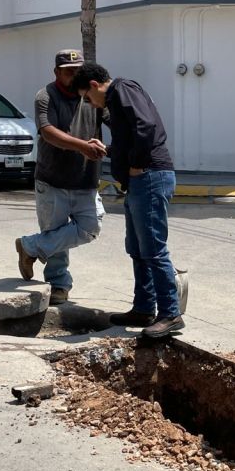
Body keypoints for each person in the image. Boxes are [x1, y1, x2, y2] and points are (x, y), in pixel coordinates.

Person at [72, 63, 183, 338]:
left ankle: (170, 314)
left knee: (153, 249)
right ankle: (144, 308)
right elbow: (131, 138)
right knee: (137, 248)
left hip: (150, 176)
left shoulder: (123, 88)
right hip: (139, 180)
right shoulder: (116, 98)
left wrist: (137, 164)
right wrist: (109, 150)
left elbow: (146, 126)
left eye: (88, 97)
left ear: (94, 85)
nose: (91, 103)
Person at [14, 50, 107, 305]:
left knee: (90, 227)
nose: (74, 76)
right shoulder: (45, 96)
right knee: (54, 232)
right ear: (56, 72)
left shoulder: (91, 95)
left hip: (86, 178)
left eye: (78, 70)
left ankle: (29, 246)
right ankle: (58, 284)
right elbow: (47, 131)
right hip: (52, 178)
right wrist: (82, 146)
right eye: (68, 71)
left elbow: (113, 118)